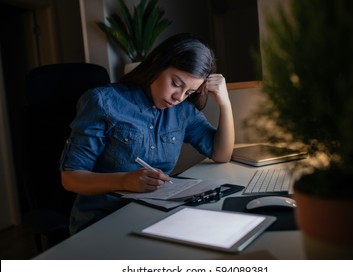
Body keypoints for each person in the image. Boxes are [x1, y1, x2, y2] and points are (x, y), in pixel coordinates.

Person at [59, 33, 235, 234]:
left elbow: (221, 154)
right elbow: (70, 178)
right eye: (176, 83)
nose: (179, 97)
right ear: (157, 62)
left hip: (155, 216)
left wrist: (225, 103)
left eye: (189, 92)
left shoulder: (182, 111)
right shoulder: (103, 102)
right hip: (103, 221)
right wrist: (124, 181)